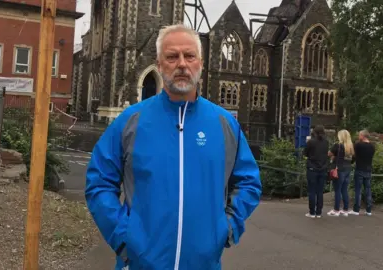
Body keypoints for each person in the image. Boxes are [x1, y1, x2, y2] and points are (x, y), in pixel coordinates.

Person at [84, 24, 262, 270]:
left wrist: (227, 228)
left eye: (189, 56)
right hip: (140, 263)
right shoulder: (130, 121)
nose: (181, 64)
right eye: (172, 56)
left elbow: (249, 183)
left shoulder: (224, 125)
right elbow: (99, 182)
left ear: (200, 63)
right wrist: (125, 239)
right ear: (159, 64)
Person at [303, 125, 329, 218]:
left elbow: (305, 153)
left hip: (312, 168)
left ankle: (312, 212)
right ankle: (319, 212)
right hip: (323, 169)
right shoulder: (326, 142)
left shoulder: (311, 142)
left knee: (312, 191)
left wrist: (307, 143)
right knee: (320, 191)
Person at [327, 129, 354, 217]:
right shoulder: (350, 147)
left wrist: (334, 157)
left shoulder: (338, 145)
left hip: (339, 170)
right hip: (348, 169)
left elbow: (329, 154)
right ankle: (345, 209)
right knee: (344, 190)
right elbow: (353, 159)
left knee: (337, 190)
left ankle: (336, 210)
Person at [349, 129, 375, 216]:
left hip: (359, 169)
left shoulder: (358, 145)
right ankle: (369, 210)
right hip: (368, 170)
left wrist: (351, 162)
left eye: (359, 135)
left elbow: (354, 156)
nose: (358, 136)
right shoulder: (372, 146)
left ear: (363, 136)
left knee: (358, 190)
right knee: (368, 190)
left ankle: (356, 210)